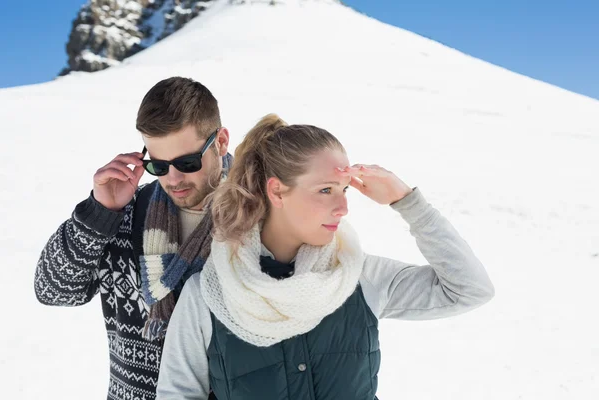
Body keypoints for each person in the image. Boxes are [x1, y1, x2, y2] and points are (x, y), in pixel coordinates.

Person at [156, 114, 495, 400]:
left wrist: (406, 202)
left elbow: (469, 289)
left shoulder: (360, 277)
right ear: (277, 190)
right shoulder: (210, 295)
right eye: (325, 190)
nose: (343, 207)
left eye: (344, 190)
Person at [34, 77, 232, 400]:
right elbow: (52, 290)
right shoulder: (126, 217)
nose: (174, 179)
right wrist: (99, 214)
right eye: (159, 165)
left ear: (221, 142)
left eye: (187, 163)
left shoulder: (256, 219)